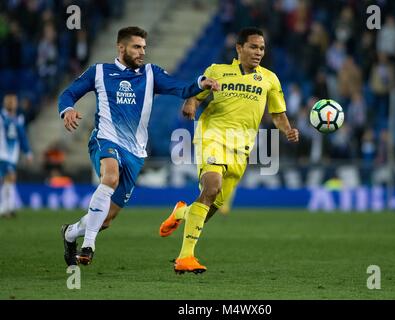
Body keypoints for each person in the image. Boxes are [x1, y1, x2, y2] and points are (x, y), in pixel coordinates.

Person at [58, 26, 219, 266]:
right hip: (106, 139)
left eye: (144, 47)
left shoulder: (151, 74)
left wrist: (200, 83)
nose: (142, 52)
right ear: (121, 47)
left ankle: (70, 233)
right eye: (136, 47)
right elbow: (69, 93)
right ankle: (88, 245)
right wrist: (68, 109)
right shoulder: (100, 72)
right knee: (110, 177)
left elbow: (181, 88)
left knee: (106, 219)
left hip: (135, 152)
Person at [159, 27, 299, 274]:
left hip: (241, 148)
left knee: (211, 206)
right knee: (210, 188)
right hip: (212, 137)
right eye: (253, 47)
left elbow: (277, 114)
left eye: (262, 48)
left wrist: (288, 130)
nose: (258, 52)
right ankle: (185, 258)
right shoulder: (217, 71)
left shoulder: (269, 79)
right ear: (239, 48)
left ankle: (181, 212)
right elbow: (195, 94)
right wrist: (190, 103)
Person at [0, 92, 33, 218]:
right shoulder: (2, 117)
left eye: (14, 101)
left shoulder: (18, 118)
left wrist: (28, 152)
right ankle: (5, 207)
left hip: (12, 156)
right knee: (9, 177)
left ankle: (7, 207)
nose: (13, 104)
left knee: (8, 179)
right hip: (2, 154)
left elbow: (22, 137)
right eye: (10, 101)